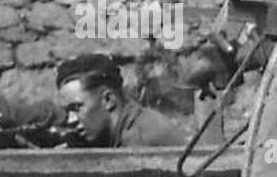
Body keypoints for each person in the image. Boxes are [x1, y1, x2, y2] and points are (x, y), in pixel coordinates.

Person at [55, 53, 186, 148]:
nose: (70, 120)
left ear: (108, 100)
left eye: (77, 107)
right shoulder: (130, 121)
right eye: (68, 111)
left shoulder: (137, 140)